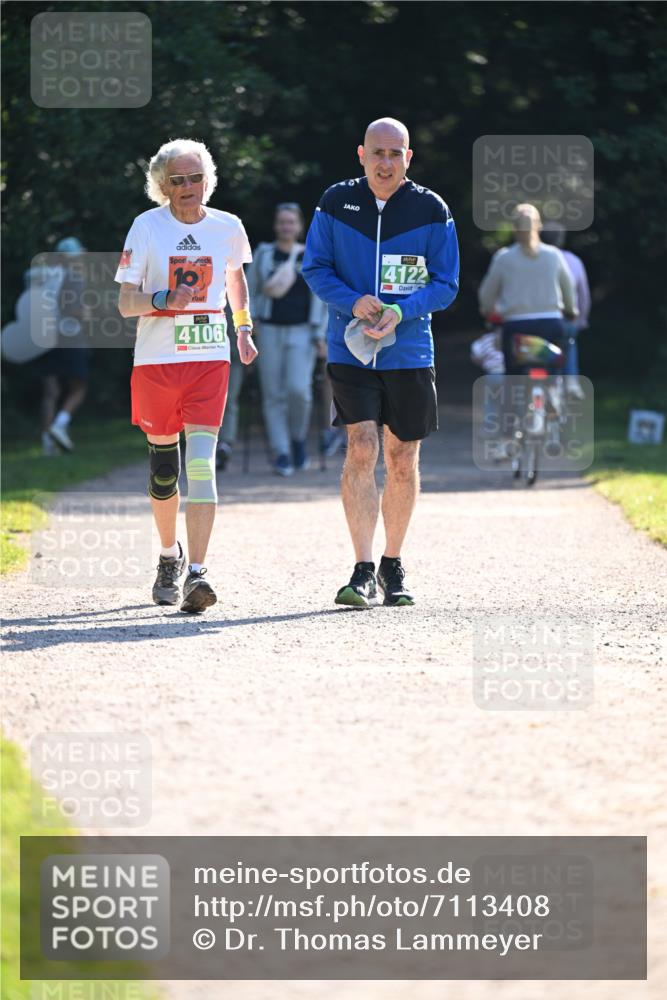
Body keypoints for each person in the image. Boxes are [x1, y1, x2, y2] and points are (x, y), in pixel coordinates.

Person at [302, 117, 459, 608]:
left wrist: (399, 310)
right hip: (350, 347)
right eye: (378, 153)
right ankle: (362, 568)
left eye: (396, 153)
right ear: (361, 155)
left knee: (402, 458)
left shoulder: (431, 209)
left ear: (408, 158)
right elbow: (315, 267)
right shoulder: (334, 202)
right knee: (362, 446)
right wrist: (353, 302)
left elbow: (446, 283)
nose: (386, 162)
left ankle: (394, 564)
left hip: (409, 350)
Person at [115, 138, 257, 613]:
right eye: (177, 180)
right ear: (162, 185)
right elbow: (124, 302)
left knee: (200, 465)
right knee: (163, 471)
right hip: (156, 363)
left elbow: (235, 278)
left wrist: (242, 329)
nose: (188, 187)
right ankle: (167, 556)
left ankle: (198, 573)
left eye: (195, 177)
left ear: (207, 180)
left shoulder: (228, 227)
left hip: (209, 359)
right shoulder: (146, 227)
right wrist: (161, 301)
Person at [247, 202, 327, 476]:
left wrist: (321, 334)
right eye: (282, 222)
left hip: (303, 331)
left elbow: (322, 298)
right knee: (272, 394)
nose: (286, 227)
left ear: (300, 226)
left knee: (299, 391)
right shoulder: (264, 254)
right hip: (268, 330)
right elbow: (249, 290)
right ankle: (282, 452)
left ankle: (298, 439)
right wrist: (250, 323)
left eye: (291, 222)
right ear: (275, 225)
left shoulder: (311, 255)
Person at [478, 204, 577, 375]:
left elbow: (486, 295)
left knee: (514, 377)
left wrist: (487, 310)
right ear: (538, 226)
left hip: (516, 327)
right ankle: (556, 393)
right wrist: (571, 310)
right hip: (550, 324)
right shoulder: (554, 255)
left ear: (514, 229)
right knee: (555, 368)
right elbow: (568, 289)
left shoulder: (503, 258)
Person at [32, 237, 90, 455]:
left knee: (51, 391)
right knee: (79, 387)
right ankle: (60, 424)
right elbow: (73, 309)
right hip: (69, 337)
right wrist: (86, 313)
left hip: (44, 336)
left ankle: (47, 443)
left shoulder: (44, 276)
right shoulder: (73, 277)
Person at [540, 222, 591, 399]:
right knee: (569, 341)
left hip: (538, 320)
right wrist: (581, 320)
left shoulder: (533, 258)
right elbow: (583, 295)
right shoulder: (574, 261)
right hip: (565, 320)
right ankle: (571, 382)